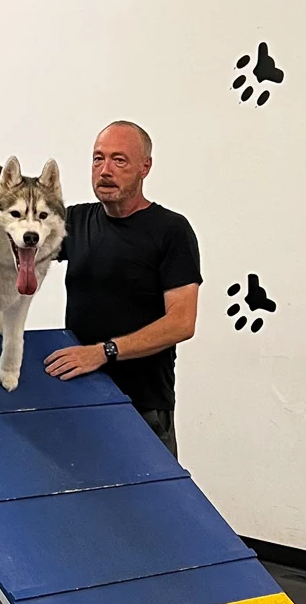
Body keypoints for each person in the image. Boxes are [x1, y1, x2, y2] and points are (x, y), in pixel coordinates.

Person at [44, 121, 202, 458]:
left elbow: (181, 322)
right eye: (98, 159)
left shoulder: (171, 230)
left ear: (145, 167)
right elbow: (19, 251)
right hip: (81, 397)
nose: (105, 171)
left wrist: (103, 352)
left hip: (143, 407)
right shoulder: (75, 221)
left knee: (153, 494)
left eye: (119, 160)